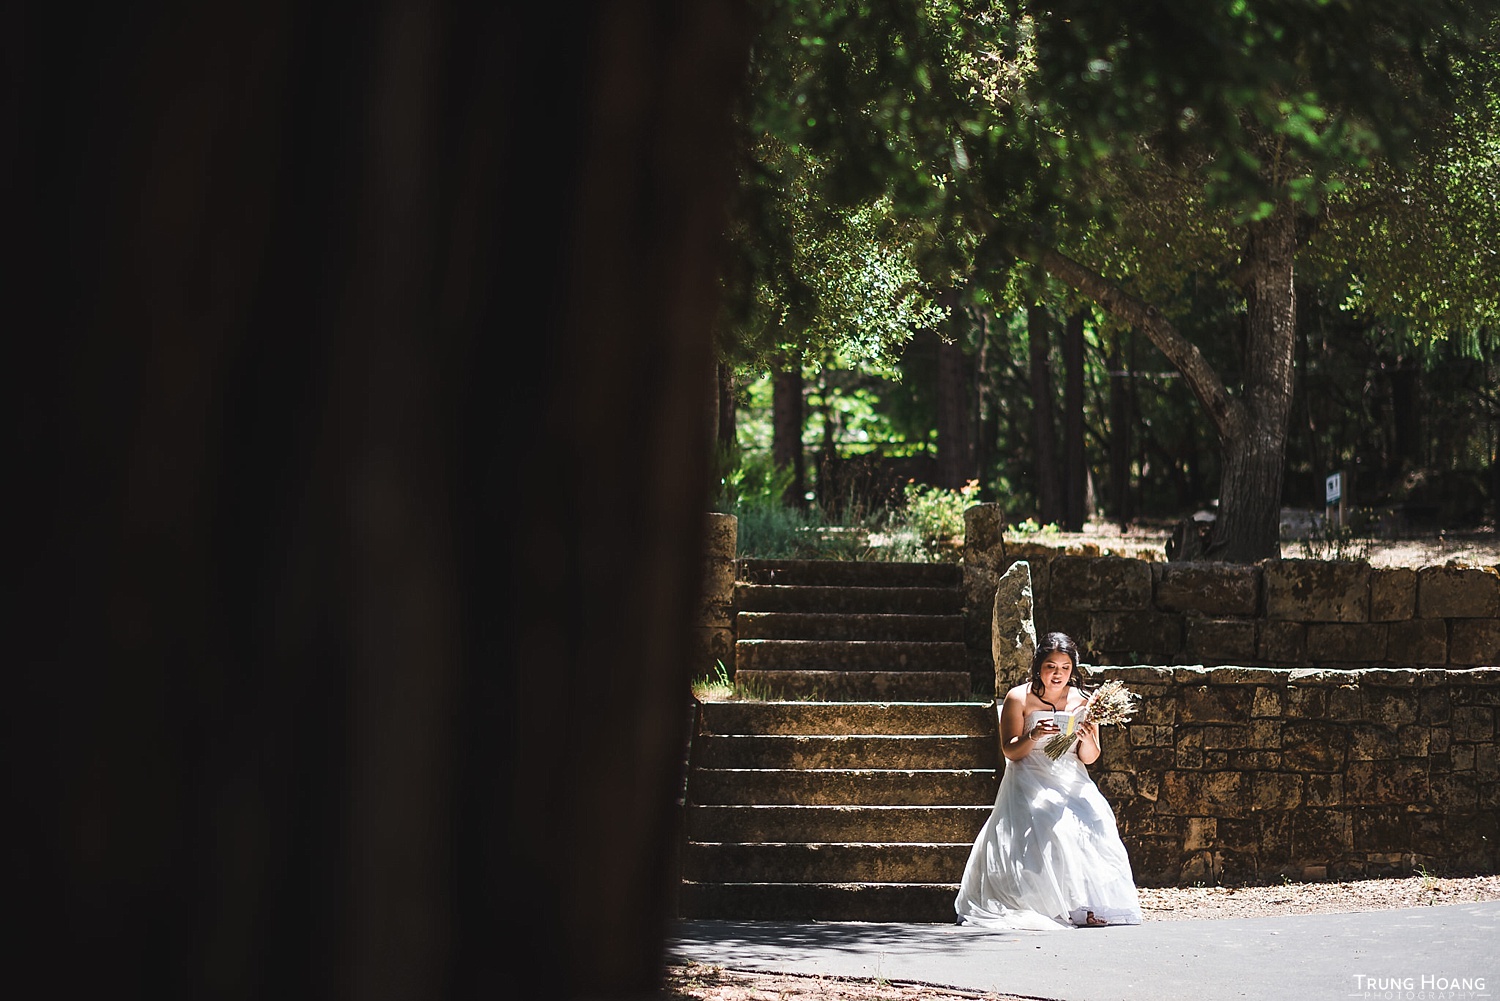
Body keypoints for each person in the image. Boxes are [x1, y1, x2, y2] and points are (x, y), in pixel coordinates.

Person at [954, 631, 1143, 929]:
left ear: (1073, 669)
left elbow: (1090, 757)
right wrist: (1034, 735)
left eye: (1065, 668)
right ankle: (1041, 903)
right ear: (1039, 665)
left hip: (1070, 775)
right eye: (1051, 666)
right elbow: (1010, 751)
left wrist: (1085, 738)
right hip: (1028, 772)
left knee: (1094, 819)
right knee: (1049, 821)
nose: (1058, 674)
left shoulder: (1085, 701)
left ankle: (1085, 905)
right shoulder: (1019, 697)